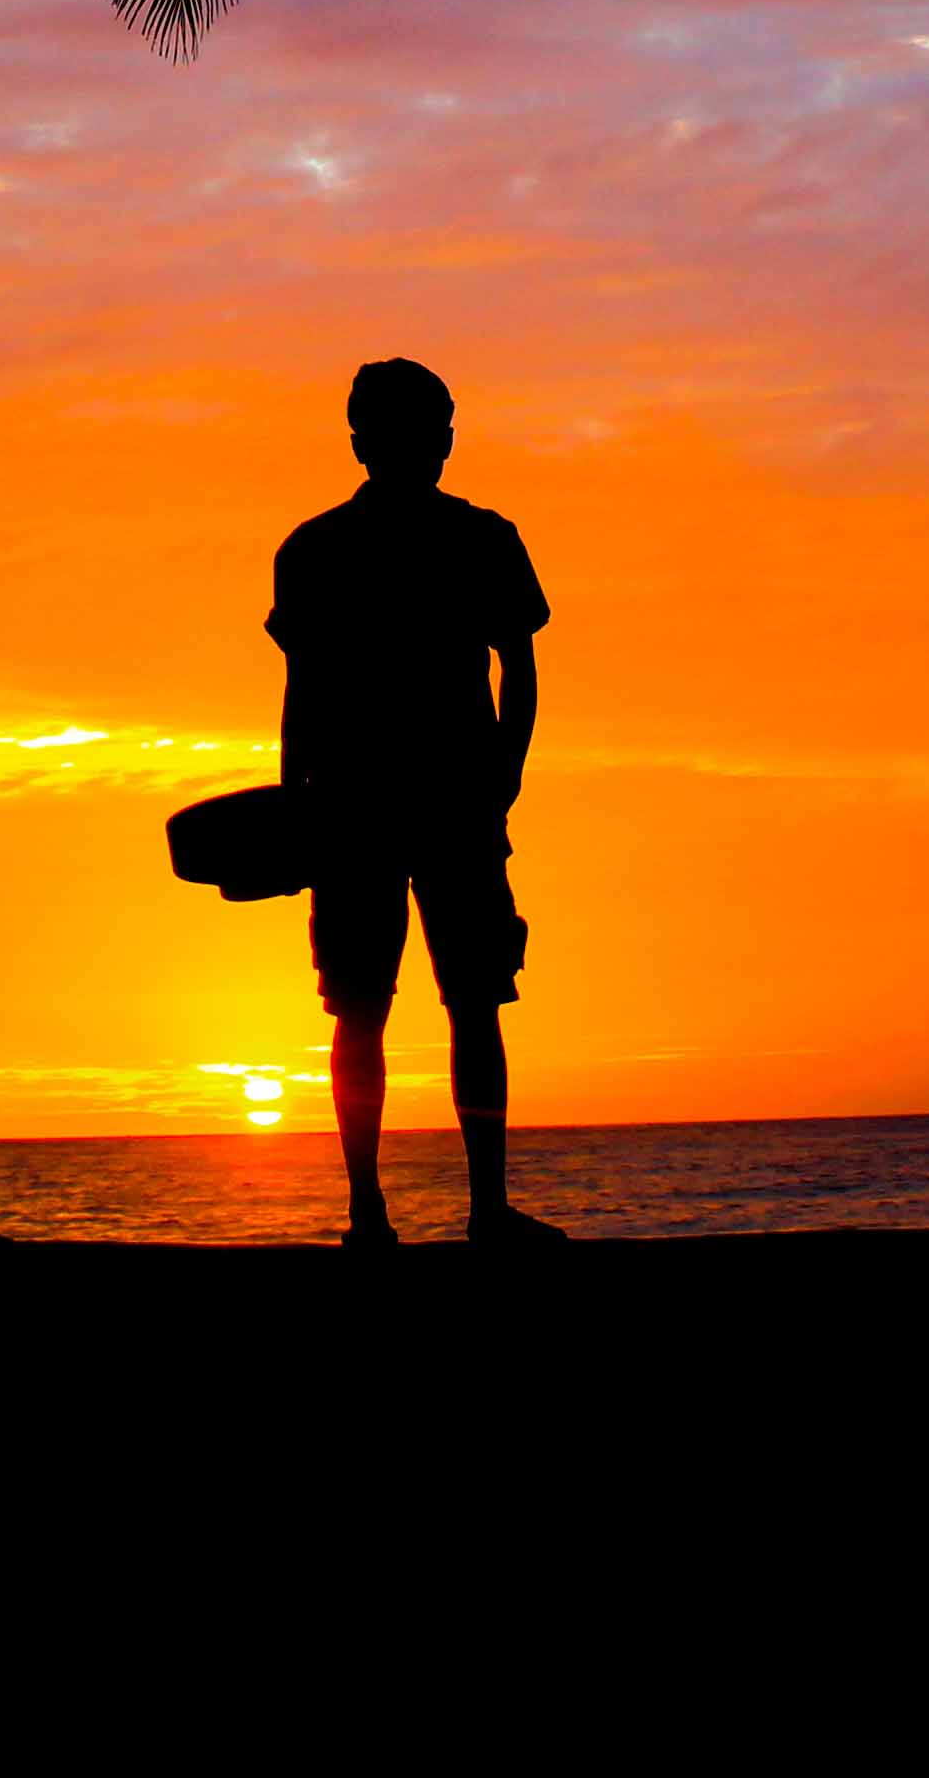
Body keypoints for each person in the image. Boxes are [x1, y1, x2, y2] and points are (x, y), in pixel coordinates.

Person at [265, 356, 567, 1247]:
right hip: (371, 805)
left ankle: (463, 1209)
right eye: (416, 428)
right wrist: (295, 808)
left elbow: (520, 667)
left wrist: (503, 774)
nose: (429, 444)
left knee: (461, 999)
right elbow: (304, 691)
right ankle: (384, 1210)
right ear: (365, 441)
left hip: (443, 801)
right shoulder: (318, 549)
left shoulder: (474, 538)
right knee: (389, 1006)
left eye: (435, 427)